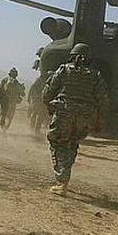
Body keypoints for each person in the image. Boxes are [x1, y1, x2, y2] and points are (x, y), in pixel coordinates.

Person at [43, 43, 108, 195]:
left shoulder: (63, 70)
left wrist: (49, 106)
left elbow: (48, 91)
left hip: (64, 112)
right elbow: (103, 100)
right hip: (85, 116)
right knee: (72, 143)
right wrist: (100, 120)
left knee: (58, 143)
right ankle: (64, 178)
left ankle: (62, 182)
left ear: (72, 55)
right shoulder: (95, 75)